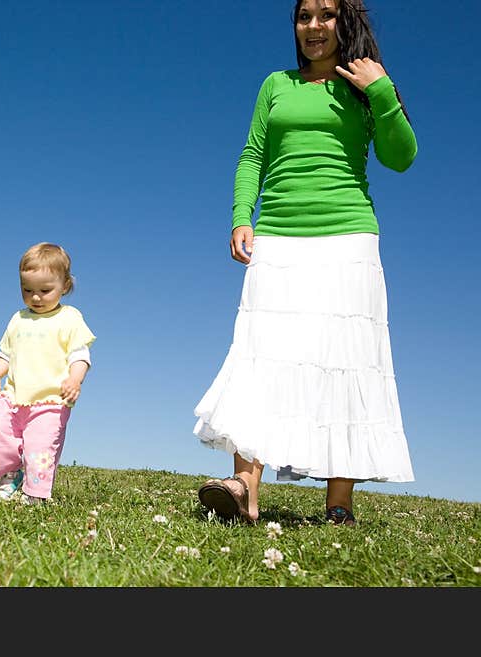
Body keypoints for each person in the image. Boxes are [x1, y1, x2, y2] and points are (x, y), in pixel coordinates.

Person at [193, 0, 417, 526]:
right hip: (278, 236)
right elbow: (253, 154)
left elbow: (401, 156)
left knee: (346, 360)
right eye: (304, 16)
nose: (313, 26)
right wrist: (240, 215)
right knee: (261, 352)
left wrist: (380, 90)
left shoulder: (366, 85)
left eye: (326, 14)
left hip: (348, 238)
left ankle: (339, 505)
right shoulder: (276, 84)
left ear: (347, 22)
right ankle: (244, 487)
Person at [0, 242, 96, 505]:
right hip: (13, 396)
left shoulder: (69, 318)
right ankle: (11, 475)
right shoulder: (18, 319)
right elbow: (6, 355)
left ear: (65, 286)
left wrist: (74, 379)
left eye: (45, 290)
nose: (36, 297)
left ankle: (35, 494)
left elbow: (80, 355)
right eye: (27, 290)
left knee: (40, 447)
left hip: (51, 400)